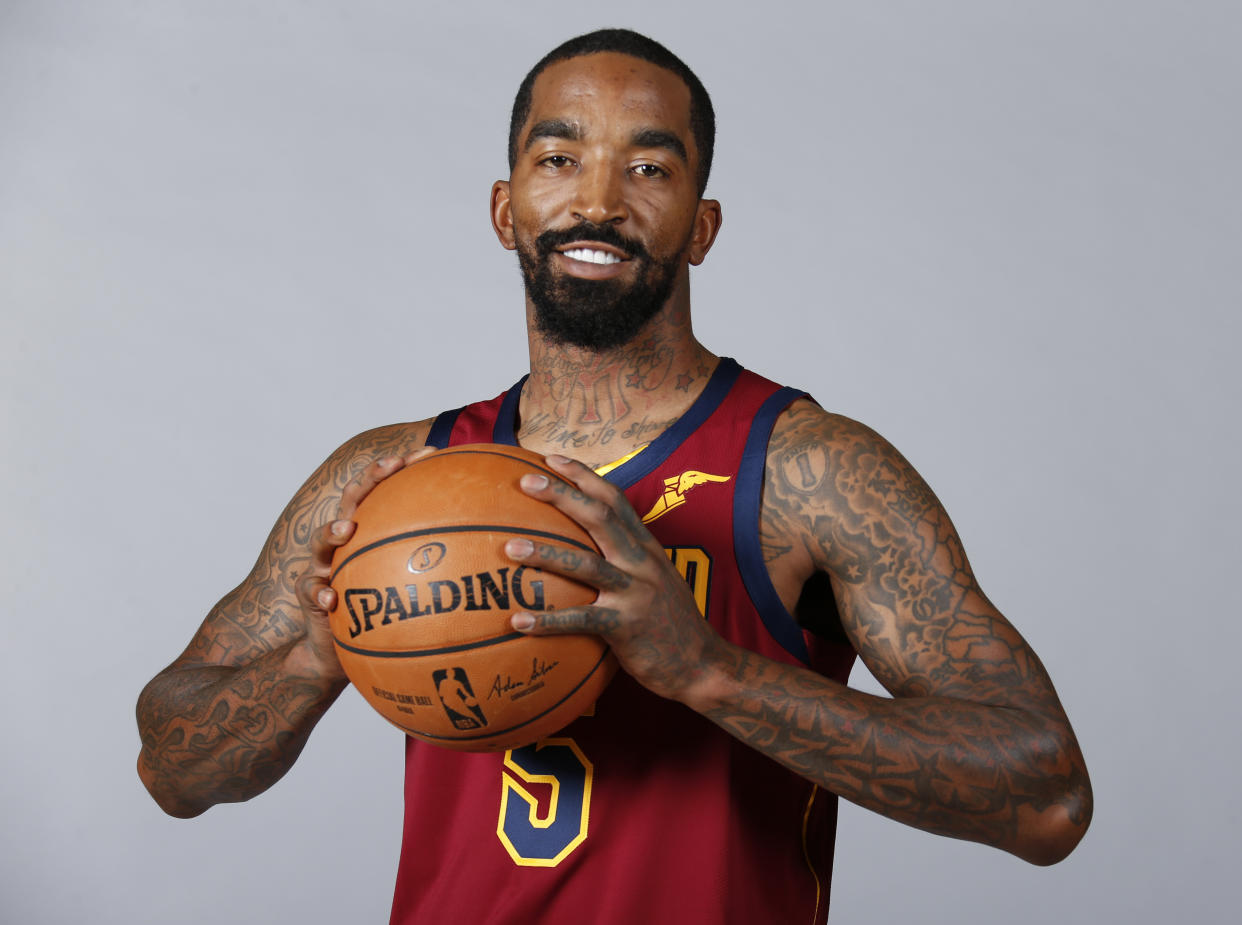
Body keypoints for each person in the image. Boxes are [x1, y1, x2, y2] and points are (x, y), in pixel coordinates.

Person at [136, 28, 1092, 923]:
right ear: (506, 209)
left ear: (703, 225)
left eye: (648, 167)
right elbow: (170, 772)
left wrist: (711, 673)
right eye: (559, 160)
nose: (598, 201)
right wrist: (313, 658)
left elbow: (1046, 800)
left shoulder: (808, 471)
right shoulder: (389, 481)